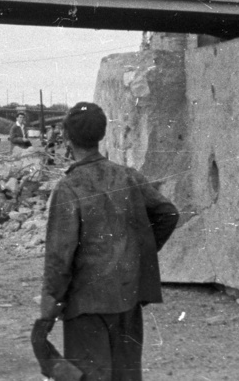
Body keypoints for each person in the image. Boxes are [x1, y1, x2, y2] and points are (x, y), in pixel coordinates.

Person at [33, 101, 180, 381]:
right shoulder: (128, 176)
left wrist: (50, 306)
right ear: (101, 135)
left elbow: (58, 259)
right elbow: (168, 214)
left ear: (66, 137)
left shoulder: (69, 188)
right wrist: (139, 253)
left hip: (85, 306)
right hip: (127, 297)